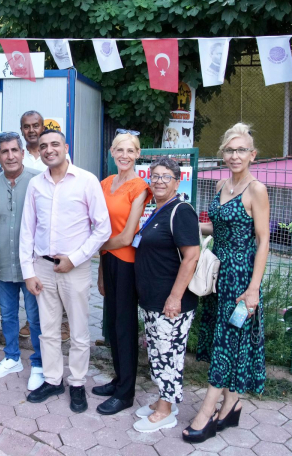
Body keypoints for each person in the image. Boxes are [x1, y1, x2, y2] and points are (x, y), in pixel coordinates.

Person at [186, 123, 269, 443]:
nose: (235, 155)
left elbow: (263, 242)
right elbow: (218, 227)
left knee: (227, 342)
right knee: (230, 342)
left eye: (241, 150)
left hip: (241, 279)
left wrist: (252, 290)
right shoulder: (222, 184)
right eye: (230, 150)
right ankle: (232, 403)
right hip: (218, 275)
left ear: (253, 155)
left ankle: (207, 412)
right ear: (222, 154)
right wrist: (191, 223)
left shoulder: (256, 189)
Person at [20, 129, 111, 413]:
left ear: (66, 147)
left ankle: (77, 383)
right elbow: (27, 229)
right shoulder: (36, 184)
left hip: (75, 268)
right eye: (44, 145)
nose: (49, 149)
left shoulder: (86, 181)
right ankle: (52, 379)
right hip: (42, 267)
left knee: (79, 331)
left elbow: (103, 228)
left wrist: (75, 258)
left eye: (54, 144)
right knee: (47, 330)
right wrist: (28, 271)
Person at [131, 157, 200, 433]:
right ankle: (164, 398)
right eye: (155, 177)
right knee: (158, 353)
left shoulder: (180, 211)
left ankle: (166, 410)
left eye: (165, 177)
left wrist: (175, 297)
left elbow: (191, 256)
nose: (159, 181)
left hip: (170, 303)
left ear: (177, 181)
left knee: (169, 353)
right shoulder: (158, 209)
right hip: (152, 300)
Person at [94, 130, 151, 415]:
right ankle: (118, 380)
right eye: (120, 150)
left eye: (131, 151)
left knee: (125, 326)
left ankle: (126, 393)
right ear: (112, 153)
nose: (125, 156)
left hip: (127, 262)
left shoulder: (139, 187)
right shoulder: (105, 183)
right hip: (108, 260)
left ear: (138, 154)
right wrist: (101, 269)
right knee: (113, 325)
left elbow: (128, 236)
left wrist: (94, 246)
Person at [0, 132, 44, 391]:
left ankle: (40, 363)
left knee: (35, 317)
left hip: (32, 266)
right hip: (3, 265)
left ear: (22, 152)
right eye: (4, 152)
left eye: (14, 150)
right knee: (7, 315)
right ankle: (12, 358)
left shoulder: (38, 181)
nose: (10, 156)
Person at [18, 112, 70, 343]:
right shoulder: (19, 155)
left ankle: (65, 323)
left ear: (42, 127)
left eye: (35, 126)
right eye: (26, 127)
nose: (31, 130)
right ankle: (32, 321)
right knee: (40, 284)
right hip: (31, 220)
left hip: (58, 226)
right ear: (22, 130)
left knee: (62, 283)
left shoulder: (54, 152)